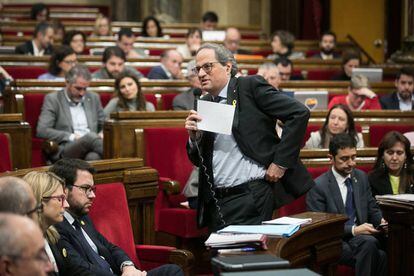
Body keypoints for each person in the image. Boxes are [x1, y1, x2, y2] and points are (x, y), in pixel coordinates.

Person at [185, 43, 313, 232]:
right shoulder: (204, 102)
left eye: (207, 66)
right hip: (216, 199)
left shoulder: (248, 86)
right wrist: (194, 139)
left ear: (227, 67)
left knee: (243, 257)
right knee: (221, 260)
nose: (201, 74)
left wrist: (280, 162)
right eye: (198, 69)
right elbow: (199, 160)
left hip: (251, 194)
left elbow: (299, 113)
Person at [50, 158, 184, 276]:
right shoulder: (56, 225)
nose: (92, 196)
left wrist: (128, 267)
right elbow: (78, 268)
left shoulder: (83, 218)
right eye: (85, 188)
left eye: (92, 189)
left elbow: (110, 247)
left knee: (171, 271)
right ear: (64, 189)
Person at [306, 133, 387, 276]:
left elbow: (372, 207)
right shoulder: (318, 186)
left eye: (353, 157)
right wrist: (354, 230)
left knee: (379, 251)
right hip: (333, 241)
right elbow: (318, 228)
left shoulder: (361, 177)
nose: (351, 163)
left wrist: (381, 220)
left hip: (361, 239)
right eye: (344, 159)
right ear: (330, 158)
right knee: (376, 252)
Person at [37, 64, 105, 161]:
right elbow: (42, 130)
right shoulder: (53, 99)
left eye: (85, 89)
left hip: (92, 147)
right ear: (67, 82)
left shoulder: (93, 97)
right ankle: (120, 158)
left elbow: (104, 124)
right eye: (78, 88)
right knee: (90, 136)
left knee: (93, 157)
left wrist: (102, 134)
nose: (82, 93)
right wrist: (71, 136)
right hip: (67, 148)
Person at [23, 171, 75, 276]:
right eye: (60, 199)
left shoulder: (52, 233)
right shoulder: (21, 246)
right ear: (39, 201)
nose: (67, 205)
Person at [369, 131, 414, 197]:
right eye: (390, 153)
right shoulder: (372, 179)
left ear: (406, 156)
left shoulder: (412, 175)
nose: (394, 158)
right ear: (382, 155)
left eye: (399, 153)